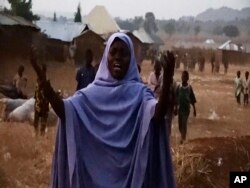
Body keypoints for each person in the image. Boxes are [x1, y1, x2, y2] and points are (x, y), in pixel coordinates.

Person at [30, 33, 176, 188]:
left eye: (124, 53)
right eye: (113, 52)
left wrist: (167, 79)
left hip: (132, 180)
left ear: (131, 59)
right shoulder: (90, 94)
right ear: (106, 57)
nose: (118, 57)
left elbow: (158, 115)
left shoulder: (141, 94)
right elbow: (65, 110)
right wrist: (40, 75)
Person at [176, 71, 197, 144]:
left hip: (186, 109)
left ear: (187, 78)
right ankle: (183, 134)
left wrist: (194, 109)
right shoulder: (178, 87)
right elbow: (176, 98)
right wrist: (175, 108)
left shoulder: (189, 88)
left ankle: (183, 138)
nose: (183, 78)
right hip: (180, 109)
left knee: (184, 123)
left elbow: (192, 99)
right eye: (182, 76)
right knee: (180, 125)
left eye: (185, 77)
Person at [33, 64, 49, 136]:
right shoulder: (43, 80)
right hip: (42, 103)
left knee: (37, 119)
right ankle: (40, 133)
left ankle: (37, 133)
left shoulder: (38, 80)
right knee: (43, 118)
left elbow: (36, 93)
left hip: (38, 102)